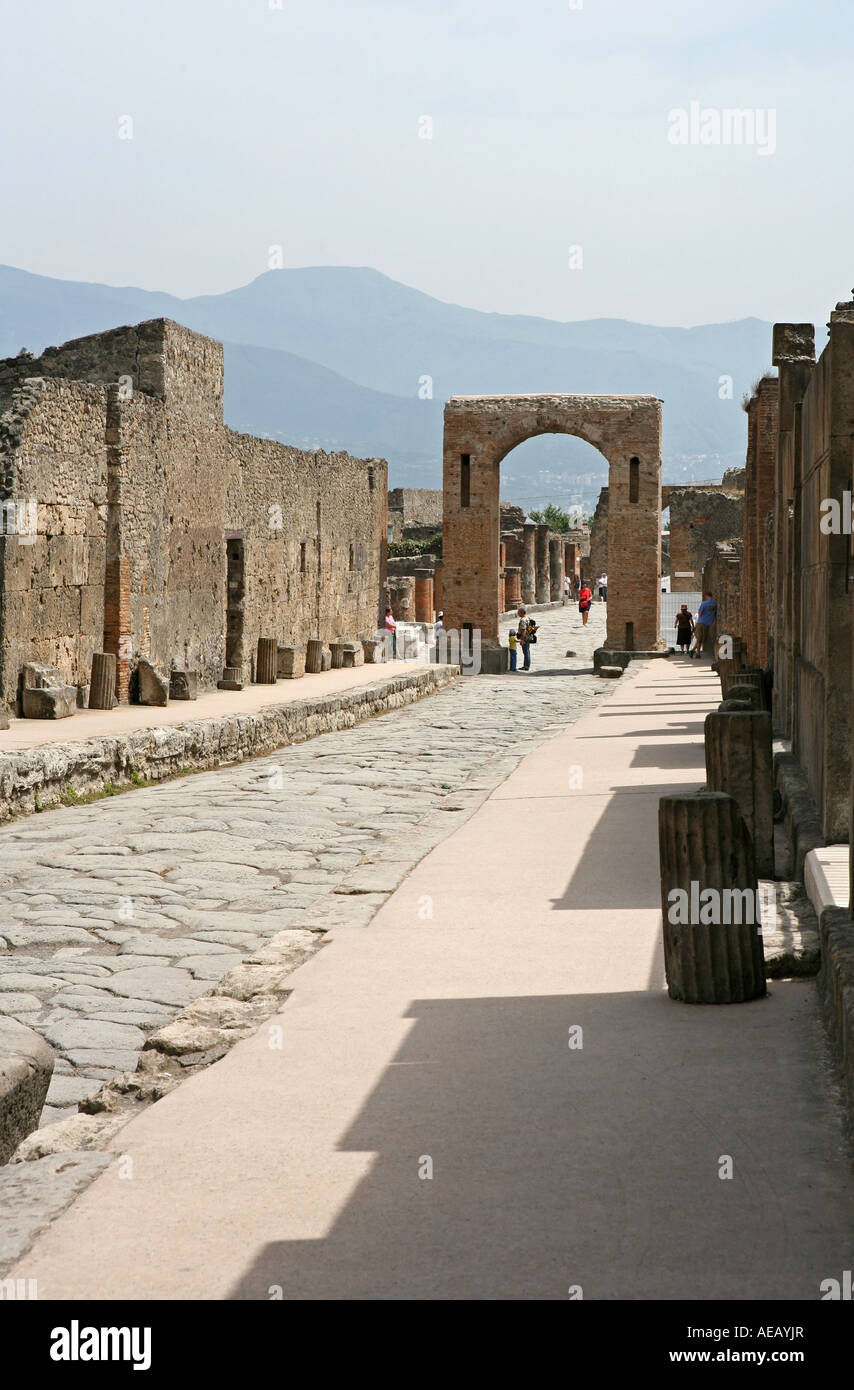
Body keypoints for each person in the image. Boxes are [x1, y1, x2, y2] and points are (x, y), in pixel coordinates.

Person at [691, 592, 718, 659]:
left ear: (706, 596)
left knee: (699, 639)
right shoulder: (715, 603)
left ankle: (693, 651)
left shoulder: (704, 603)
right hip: (709, 623)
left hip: (701, 623)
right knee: (702, 639)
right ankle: (697, 653)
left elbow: (699, 614)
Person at [516, 607, 532, 671]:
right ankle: (526, 665)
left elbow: (523, 630)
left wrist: (522, 639)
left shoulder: (523, 620)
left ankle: (526, 666)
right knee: (527, 651)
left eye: (519, 612)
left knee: (526, 652)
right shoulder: (528, 618)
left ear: (522, 613)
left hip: (525, 637)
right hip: (528, 636)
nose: (518, 613)